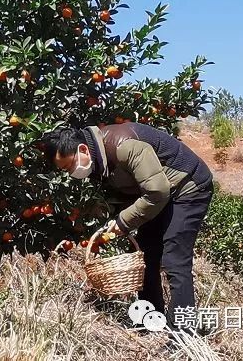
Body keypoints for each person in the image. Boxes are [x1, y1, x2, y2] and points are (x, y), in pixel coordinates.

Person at [41, 122, 214, 329]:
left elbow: (157, 191)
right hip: (162, 196)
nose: (70, 173)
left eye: (69, 166)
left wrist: (123, 222)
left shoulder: (123, 145)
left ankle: (184, 332)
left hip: (189, 187)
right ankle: (150, 322)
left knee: (175, 259)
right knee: (145, 254)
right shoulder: (98, 162)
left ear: (83, 149)